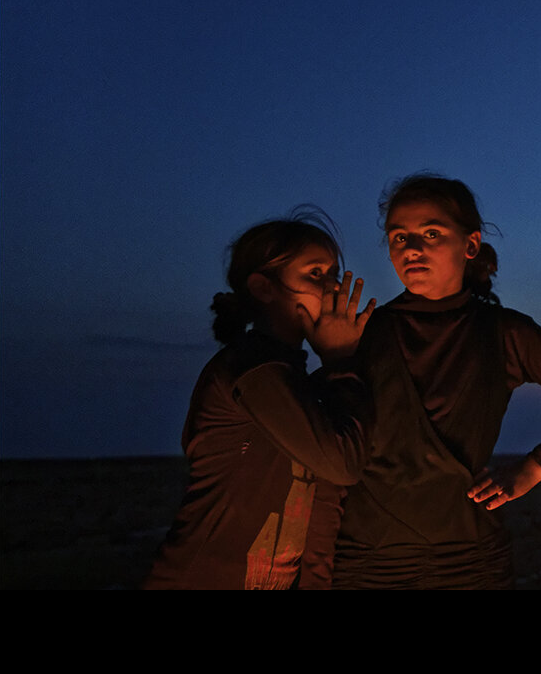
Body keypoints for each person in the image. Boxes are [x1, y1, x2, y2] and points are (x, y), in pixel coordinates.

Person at [328, 173, 541, 589]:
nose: (411, 248)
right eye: (399, 237)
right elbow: (326, 440)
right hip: (368, 562)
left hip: (469, 561)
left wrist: (531, 471)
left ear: (470, 245)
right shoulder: (364, 333)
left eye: (431, 233)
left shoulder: (504, 333)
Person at [144, 207, 377, 590]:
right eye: (315, 274)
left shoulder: (301, 381)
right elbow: (342, 464)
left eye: (334, 274)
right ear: (263, 288)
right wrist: (340, 361)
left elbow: (324, 499)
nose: (334, 288)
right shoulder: (252, 369)